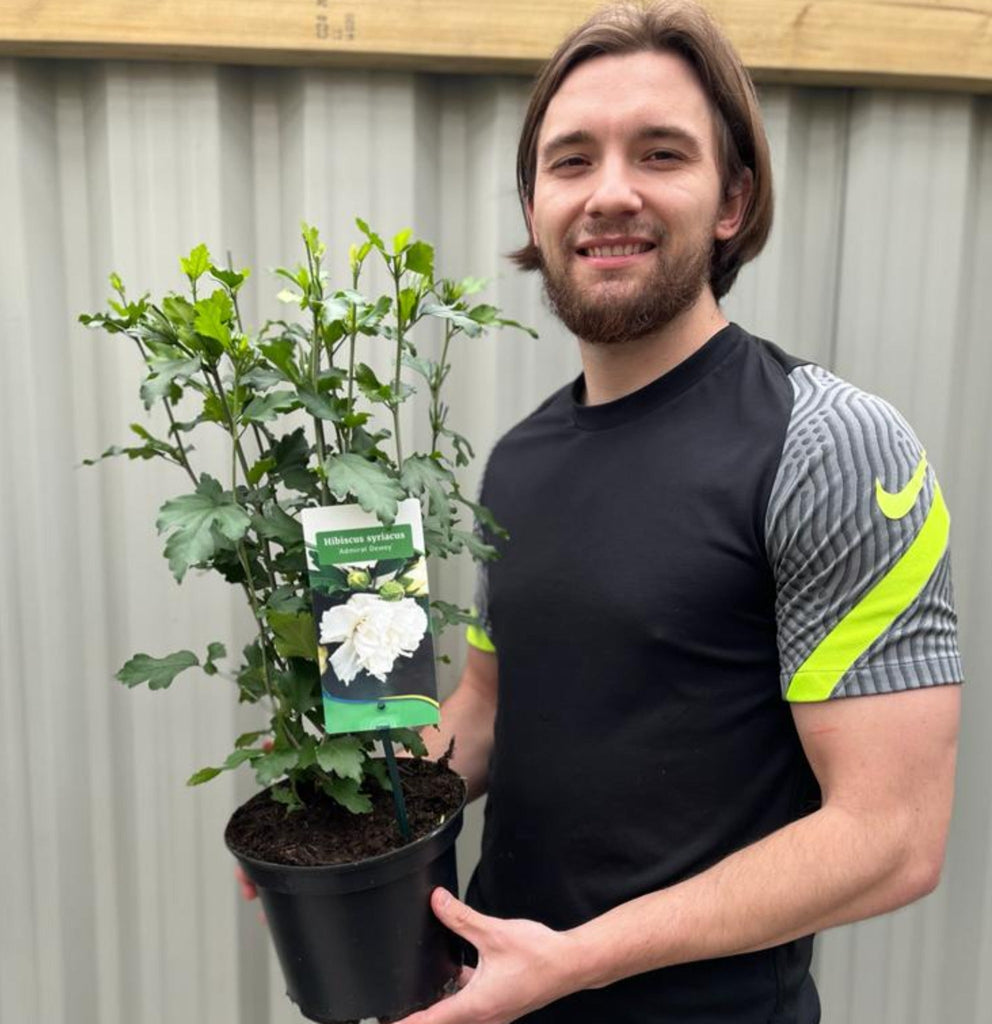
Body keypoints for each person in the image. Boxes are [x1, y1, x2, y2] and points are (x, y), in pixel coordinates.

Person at [396, 2, 964, 1023]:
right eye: (570, 162)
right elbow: (484, 707)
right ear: (534, 207)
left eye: (658, 153)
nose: (609, 192)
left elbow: (892, 834)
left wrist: (576, 960)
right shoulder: (520, 457)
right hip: (491, 997)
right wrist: (351, 816)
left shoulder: (831, 445)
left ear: (733, 199)